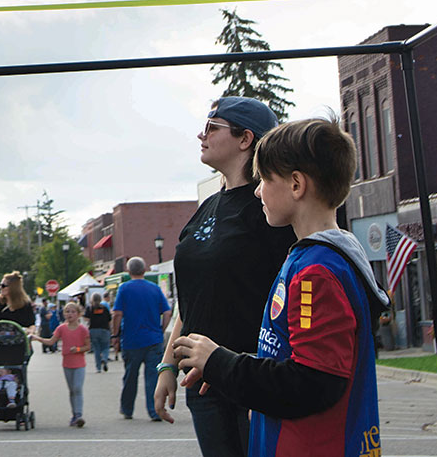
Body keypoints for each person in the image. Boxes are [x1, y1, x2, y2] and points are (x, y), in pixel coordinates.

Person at [172, 118, 389, 457]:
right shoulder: (312, 258)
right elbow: (291, 362)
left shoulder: (316, 272)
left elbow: (311, 382)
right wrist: (237, 375)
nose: (257, 191)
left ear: (296, 185)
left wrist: (221, 363)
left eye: (265, 179)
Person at [155, 97, 297, 457]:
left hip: (252, 378)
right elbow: (191, 298)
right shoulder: (207, 208)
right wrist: (167, 364)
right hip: (201, 382)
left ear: (245, 138)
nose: (201, 135)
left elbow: (288, 299)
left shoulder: (270, 209)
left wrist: (258, 381)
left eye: (212, 127)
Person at [113, 256, 172, 422]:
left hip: (132, 339)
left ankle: (127, 409)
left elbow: (117, 314)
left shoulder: (124, 288)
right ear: (144, 270)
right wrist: (161, 330)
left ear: (128, 271)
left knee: (130, 376)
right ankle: (154, 410)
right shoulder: (155, 289)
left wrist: (115, 334)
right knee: (153, 377)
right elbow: (167, 312)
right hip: (153, 339)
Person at [30, 301, 90, 427]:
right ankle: (74, 415)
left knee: (77, 388)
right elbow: (51, 342)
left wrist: (78, 349)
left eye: (73, 312)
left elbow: (88, 346)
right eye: (67, 311)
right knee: (72, 390)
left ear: (78, 314)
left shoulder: (83, 330)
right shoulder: (61, 328)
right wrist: (37, 338)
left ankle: (79, 414)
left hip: (79, 364)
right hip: (67, 363)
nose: (70, 314)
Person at [85, 291, 114, 373]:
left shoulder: (90, 308)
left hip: (93, 330)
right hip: (105, 329)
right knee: (106, 347)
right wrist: (111, 330)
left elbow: (86, 319)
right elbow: (109, 320)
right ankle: (104, 358)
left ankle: (98, 368)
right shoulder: (104, 308)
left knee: (96, 349)